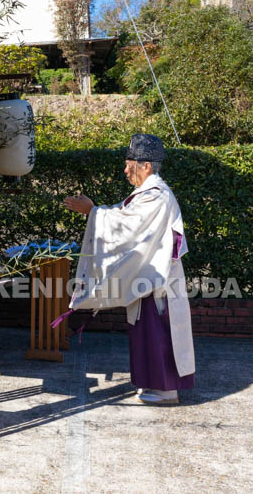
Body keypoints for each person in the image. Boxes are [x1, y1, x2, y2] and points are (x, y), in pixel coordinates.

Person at [63, 133, 194, 405]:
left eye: (129, 164)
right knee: (146, 332)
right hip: (147, 274)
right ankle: (152, 384)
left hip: (158, 280)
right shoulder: (149, 194)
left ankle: (166, 388)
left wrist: (93, 212)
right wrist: (96, 211)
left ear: (145, 165)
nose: (125, 170)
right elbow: (126, 220)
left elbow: (129, 228)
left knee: (159, 333)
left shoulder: (157, 195)